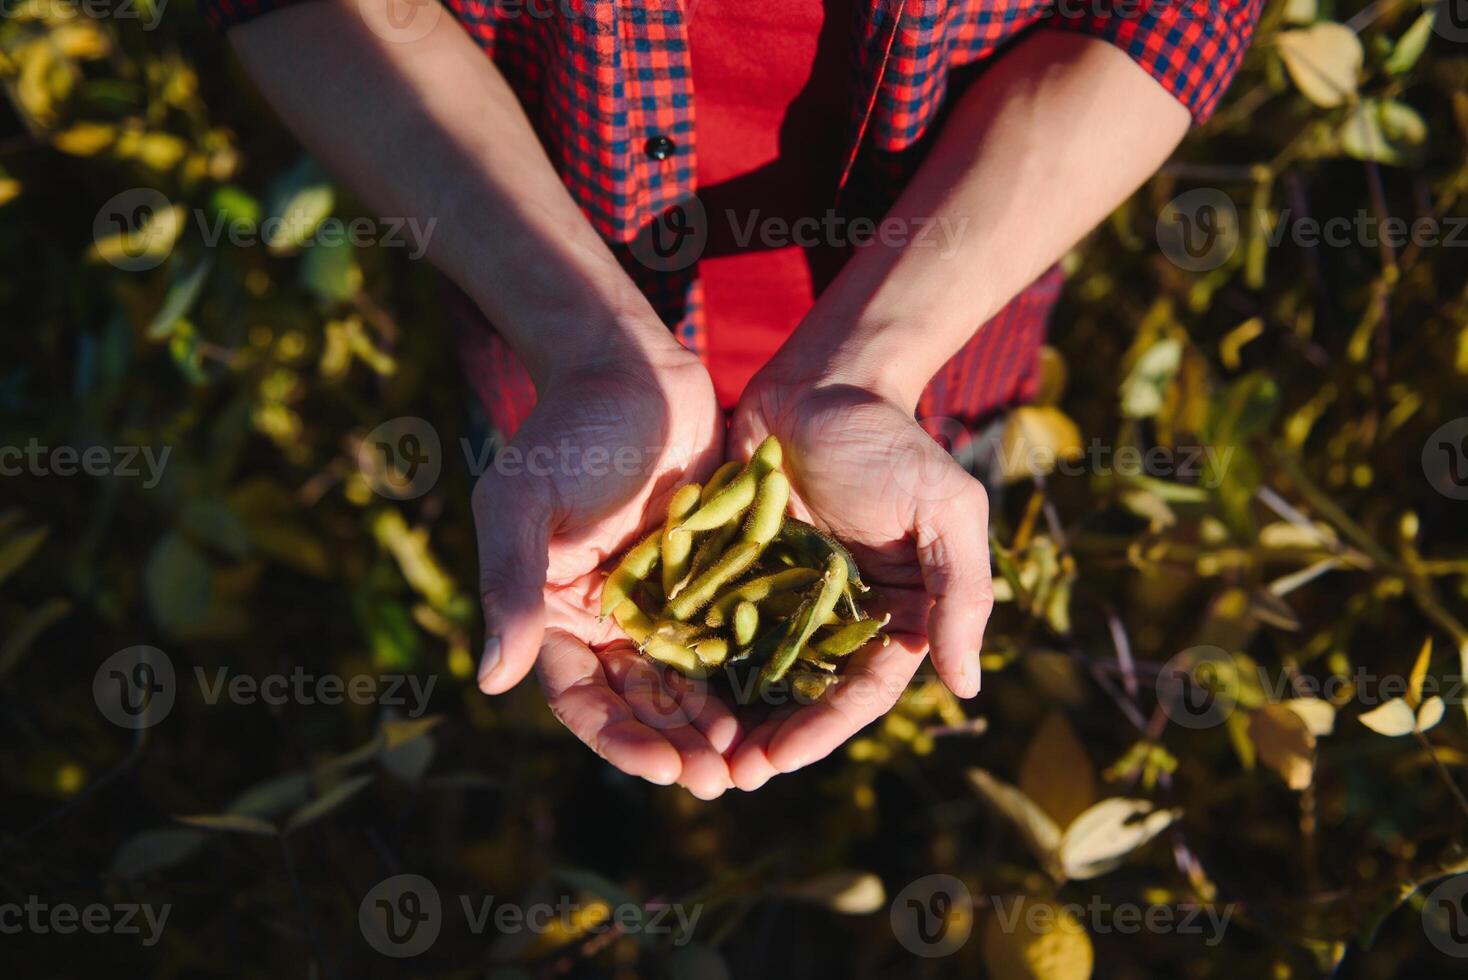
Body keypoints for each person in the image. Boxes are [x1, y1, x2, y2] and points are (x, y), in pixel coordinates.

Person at [208, 0, 1263, 798]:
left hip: (939, 335)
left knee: (909, 543)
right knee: (585, 598)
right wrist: (582, 341)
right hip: (545, 322)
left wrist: (873, 367)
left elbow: (1169, 18)